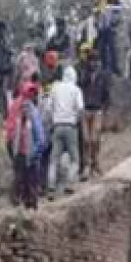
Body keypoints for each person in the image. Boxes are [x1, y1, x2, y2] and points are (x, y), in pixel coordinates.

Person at [5, 82, 46, 210]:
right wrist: (37, 152)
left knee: (20, 181)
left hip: (20, 151)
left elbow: (9, 132)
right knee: (30, 182)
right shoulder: (31, 109)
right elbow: (40, 137)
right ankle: (28, 208)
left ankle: (20, 207)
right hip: (28, 152)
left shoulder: (15, 106)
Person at [47, 65, 84, 198]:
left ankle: (51, 187)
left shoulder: (55, 88)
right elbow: (80, 109)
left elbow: (48, 108)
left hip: (57, 126)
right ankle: (69, 184)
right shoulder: (76, 90)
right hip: (70, 126)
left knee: (54, 159)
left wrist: (52, 120)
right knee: (75, 159)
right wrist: (76, 121)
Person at [80, 53, 111, 180]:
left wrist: (104, 108)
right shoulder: (83, 74)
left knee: (95, 139)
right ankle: (87, 165)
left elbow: (106, 93)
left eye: (95, 61)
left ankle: (95, 162)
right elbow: (80, 88)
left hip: (97, 109)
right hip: (85, 110)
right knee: (86, 140)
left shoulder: (103, 76)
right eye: (91, 61)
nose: (93, 63)